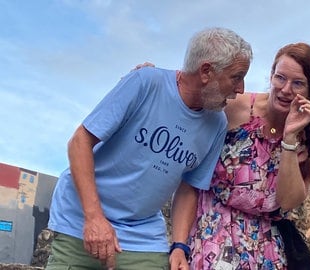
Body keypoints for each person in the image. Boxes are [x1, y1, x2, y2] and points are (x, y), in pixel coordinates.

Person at [45, 27, 253, 270]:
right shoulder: (145, 83)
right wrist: (94, 218)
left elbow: (188, 187)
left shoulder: (216, 123)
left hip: (142, 234)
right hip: (81, 217)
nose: (240, 88)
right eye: (236, 77)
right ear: (206, 71)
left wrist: (179, 245)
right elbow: (80, 141)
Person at [188, 42, 310, 269]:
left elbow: (288, 201)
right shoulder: (236, 107)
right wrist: (156, 81)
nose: (285, 89)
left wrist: (290, 139)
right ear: (271, 75)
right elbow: (190, 101)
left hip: (267, 243)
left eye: (298, 83)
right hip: (212, 229)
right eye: (280, 78)